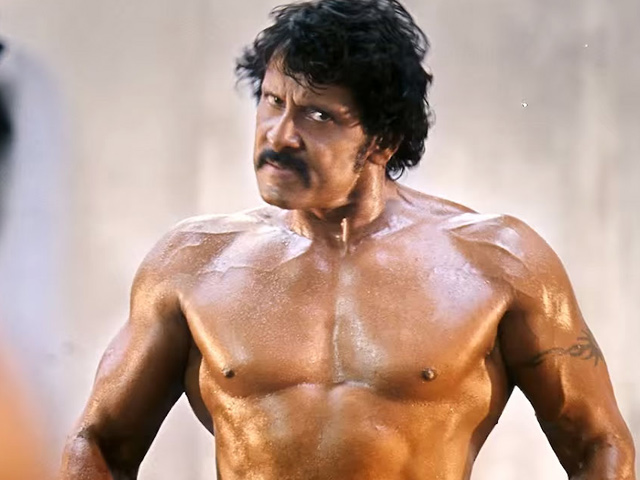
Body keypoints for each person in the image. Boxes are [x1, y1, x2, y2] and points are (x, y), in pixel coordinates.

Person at [59, 1, 635, 479]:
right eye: (273, 101)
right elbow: (98, 443)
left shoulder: (498, 262)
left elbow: (599, 445)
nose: (280, 135)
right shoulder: (194, 263)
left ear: (383, 141)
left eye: (318, 116)